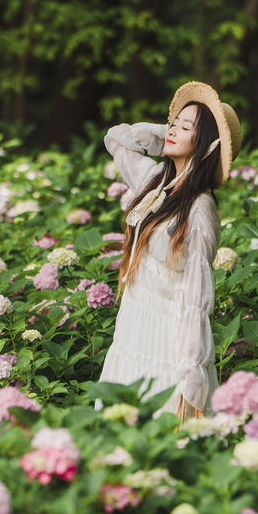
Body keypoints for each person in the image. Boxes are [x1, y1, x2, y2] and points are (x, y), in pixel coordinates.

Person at [97, 81, 241, 420]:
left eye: (185, 127)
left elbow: (197, 298)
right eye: (173, 122)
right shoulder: (155, 180)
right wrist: (167, 133)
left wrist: (191, 370)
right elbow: (116, 139)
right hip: (133, 327)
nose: (173, 129)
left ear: (205, 142)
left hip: (166, 340)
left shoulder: (200, 209)